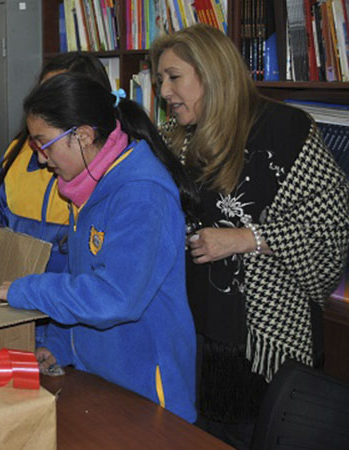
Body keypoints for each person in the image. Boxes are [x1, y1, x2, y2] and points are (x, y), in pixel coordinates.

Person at [151, 24, 349, 448]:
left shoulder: (287, 130)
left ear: (211, 72)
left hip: (265, 350)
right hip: (195, 340)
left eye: (173, 77)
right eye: (159, 80)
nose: (163, 91)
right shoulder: (176, 137)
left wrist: (246, 238)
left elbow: (329, 238)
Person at [0, 72, 198, 423]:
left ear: (81, 135)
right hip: (100, 379)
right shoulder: (90, 182)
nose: (40, 157)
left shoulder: (142, 193)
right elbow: (80, 275)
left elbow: (114, 296)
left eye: (44, 143)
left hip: (146, 391)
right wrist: (58, 344)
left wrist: (29, 290)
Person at [0, 52, 112, 273]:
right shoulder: (17, 154)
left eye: (57, 97)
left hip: (62, 300)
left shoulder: (111, 175)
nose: (42, 156)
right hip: (17, 294)